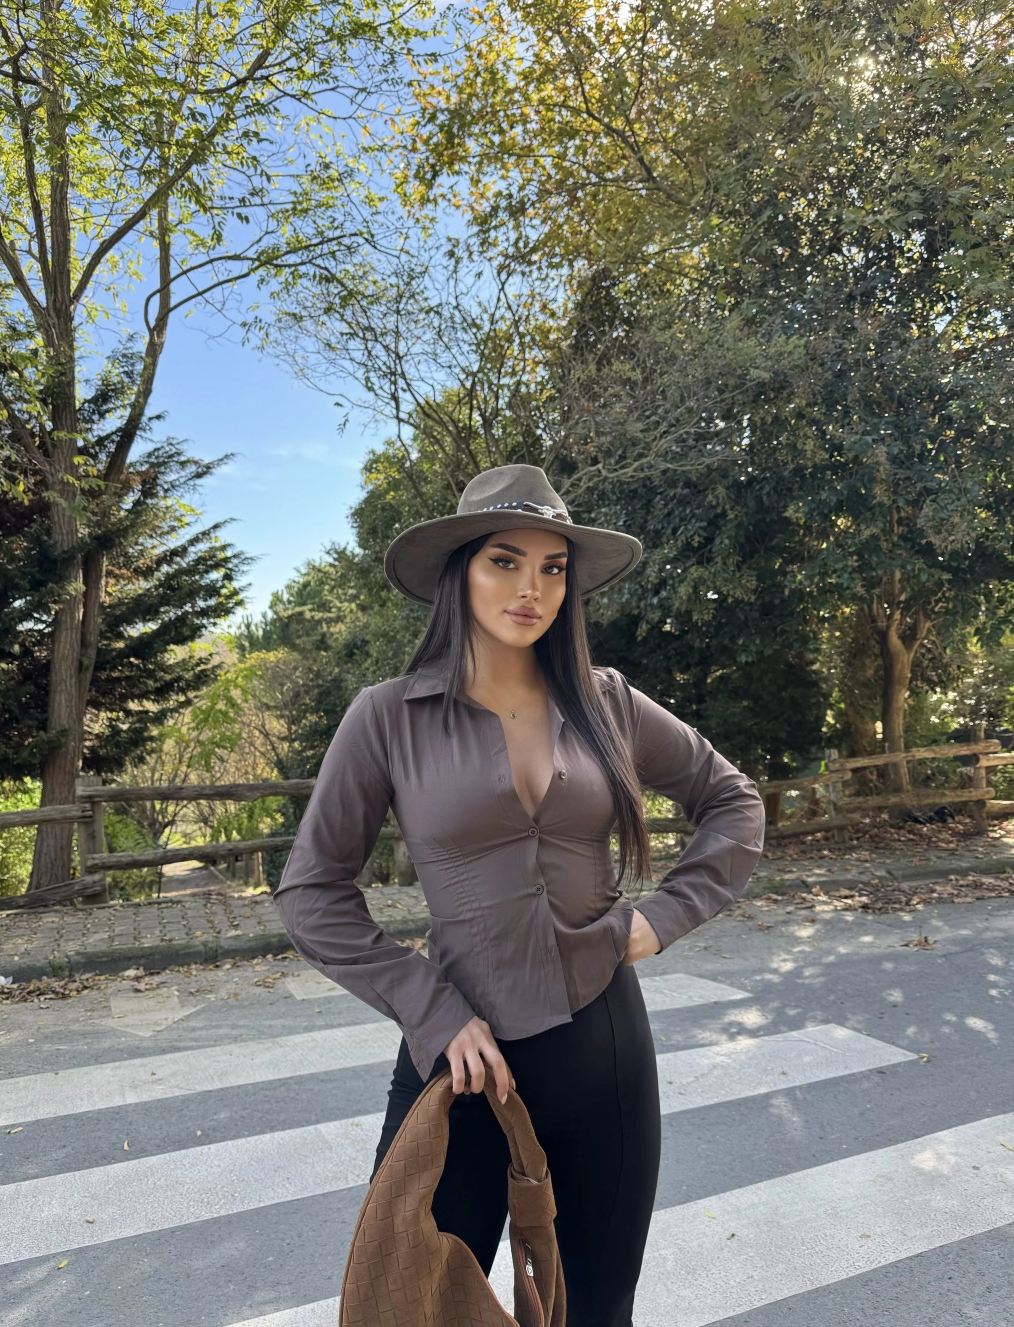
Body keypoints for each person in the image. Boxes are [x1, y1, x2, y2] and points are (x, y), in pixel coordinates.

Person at [274, 464, 766, 1327]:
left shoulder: (608, 702)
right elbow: (311, 891)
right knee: (416, 1308)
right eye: (504, 560)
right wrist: (431, 1009)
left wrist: (660, 919)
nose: (530, 587)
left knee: (598, 1310)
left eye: (552, 567)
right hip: (462, 1064)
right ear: (460, 571)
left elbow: (734, 801)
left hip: (603, 1052)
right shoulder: (387, 717)